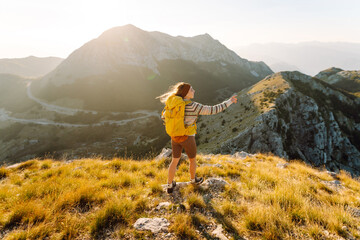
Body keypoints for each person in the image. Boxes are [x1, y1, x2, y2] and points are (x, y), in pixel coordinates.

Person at [156, 82, 238, 193]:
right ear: (185, 93)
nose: (194, 91)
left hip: (175, 137)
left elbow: (164, 117)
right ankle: (193, 180)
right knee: (192, 160)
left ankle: (170, 185)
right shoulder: (193, 106)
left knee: (174, 161)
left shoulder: (171, 104)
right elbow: (213, 110)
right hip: (188, 137)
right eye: (191, 90)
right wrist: (229, 101)